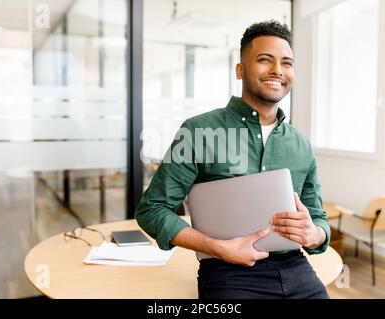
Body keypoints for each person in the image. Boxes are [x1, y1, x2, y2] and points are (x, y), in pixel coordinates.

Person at [136, 20, 330, 299]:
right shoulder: (198, 131)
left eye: (287, 63)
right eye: (265, 60)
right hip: (227, 269)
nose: (277, 70)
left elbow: (319, 218)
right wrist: (217, 247)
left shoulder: (301, 145)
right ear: (240, 70)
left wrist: (315, 234)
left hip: (295, 267)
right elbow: (152, 210)